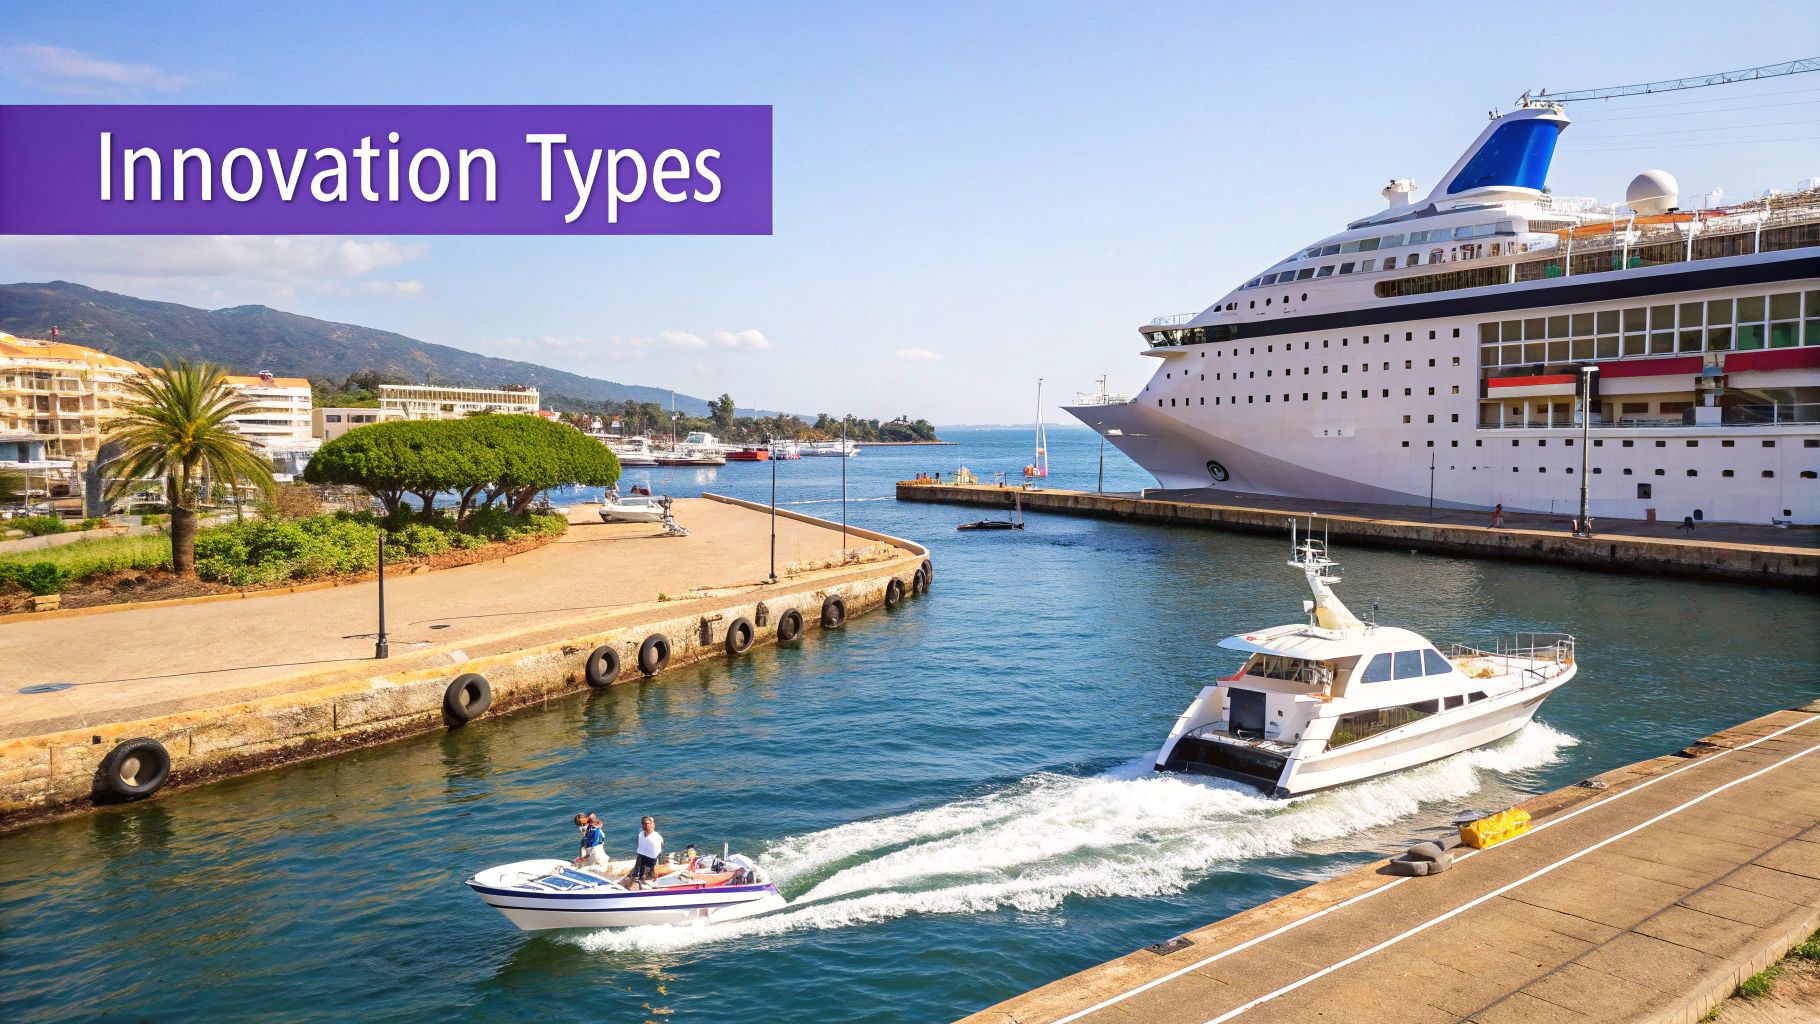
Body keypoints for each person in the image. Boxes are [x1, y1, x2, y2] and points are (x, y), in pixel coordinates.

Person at [630, 815, 663, 885]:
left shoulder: (657, 836)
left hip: (651, 858)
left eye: (648, 824)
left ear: (653, 825)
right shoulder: (641, 834)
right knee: (636, 874)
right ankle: (637, 879)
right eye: (644, 824)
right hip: (641, 855)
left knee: (648, 876)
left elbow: (661, 846)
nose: (646, 825)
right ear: (642, 825)